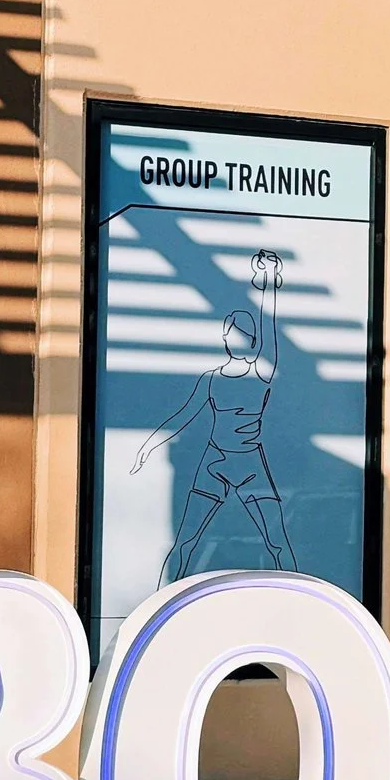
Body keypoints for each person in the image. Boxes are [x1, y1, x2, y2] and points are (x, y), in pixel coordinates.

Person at [131, 249, 299, 581]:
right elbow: (182, 416)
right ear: (225, 338)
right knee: (186, 542)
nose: (241, 342)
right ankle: (163, 597)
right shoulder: (212, 380)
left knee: (277, 541)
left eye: (247, 337)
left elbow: (271, 330)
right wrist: (148, 446)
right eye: (235, 335)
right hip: (216, 461)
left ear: (253, 342)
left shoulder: (262, 375)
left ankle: (302, 597)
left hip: (250, 463)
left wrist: (269, 282)